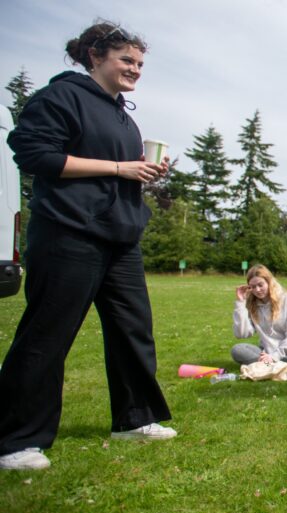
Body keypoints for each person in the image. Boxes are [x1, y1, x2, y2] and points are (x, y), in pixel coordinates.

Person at [0, 21, 176, 471]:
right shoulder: (61, 97)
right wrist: (120, 168)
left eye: (139, 63)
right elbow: (34, 154)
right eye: (126, 60)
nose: (135, 69)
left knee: (132, 330)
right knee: (47, 335)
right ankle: (17, 440)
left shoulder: (123, 116)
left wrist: (143, 171)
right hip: (68, 232)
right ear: (95, 56)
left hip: (120, 237)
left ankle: (134, 418)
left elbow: (117, 170)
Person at [231, 265, 287, 370]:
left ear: (269, 282)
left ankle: (270, 365)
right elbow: (242, 334)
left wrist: (275, 356)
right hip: (268, 350)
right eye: (253, 287)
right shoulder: (252, 304)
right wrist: (240, 303)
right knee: (238, 350)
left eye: (260, 285)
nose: (257, 290)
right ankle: (277, 366)